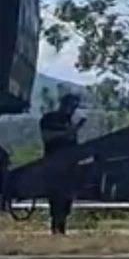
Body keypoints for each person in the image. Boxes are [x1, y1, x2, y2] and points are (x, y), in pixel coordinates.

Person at [39, 93, 84, 235]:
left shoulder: (68, 121)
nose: (72, 109)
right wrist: (69, 132)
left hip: (69, 167)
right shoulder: (50, 119)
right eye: (71, 105)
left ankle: (61, 229)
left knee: (66, 201)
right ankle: (56, 229)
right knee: (56, 200)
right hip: (54, 165)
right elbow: (47, 136)